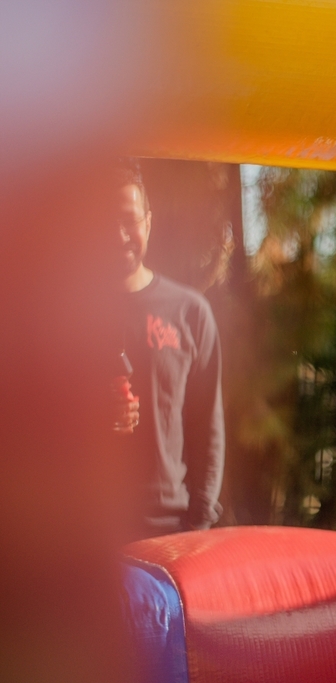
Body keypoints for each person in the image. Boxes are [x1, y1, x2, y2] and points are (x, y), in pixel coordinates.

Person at [113, 162, 225, 536]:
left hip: (169, 531)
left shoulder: (190, 312)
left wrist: (201, 519)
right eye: (106, 221)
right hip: (80, 535)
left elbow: (207, 425)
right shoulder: (66, 316)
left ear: (148, 221)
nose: (119, 234)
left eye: (129, 220)